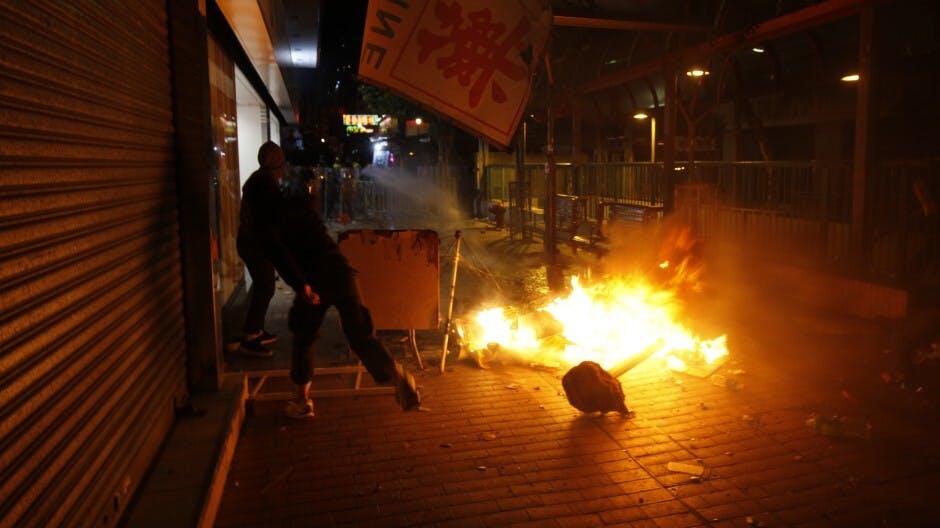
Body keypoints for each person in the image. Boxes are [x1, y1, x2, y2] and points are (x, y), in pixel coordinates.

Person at [277, 179, 420, 418]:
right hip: (343, 274)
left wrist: (302, 286)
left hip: (314, 282)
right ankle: (393, 370)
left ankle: (302, 402)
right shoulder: (311, 220)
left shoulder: (281, 225)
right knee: (360, 333)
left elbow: (284, 260)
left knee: (304, 334)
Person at [236, 142, 313, 357]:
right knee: (265, 286)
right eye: (282, 162)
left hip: (251, 241)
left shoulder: (260, 179)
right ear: (276, 164)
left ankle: (254, 329)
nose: (284, 168)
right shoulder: (264, 183)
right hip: (255, 243)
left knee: (265, 285)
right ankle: (251, 336)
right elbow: (272, 221)